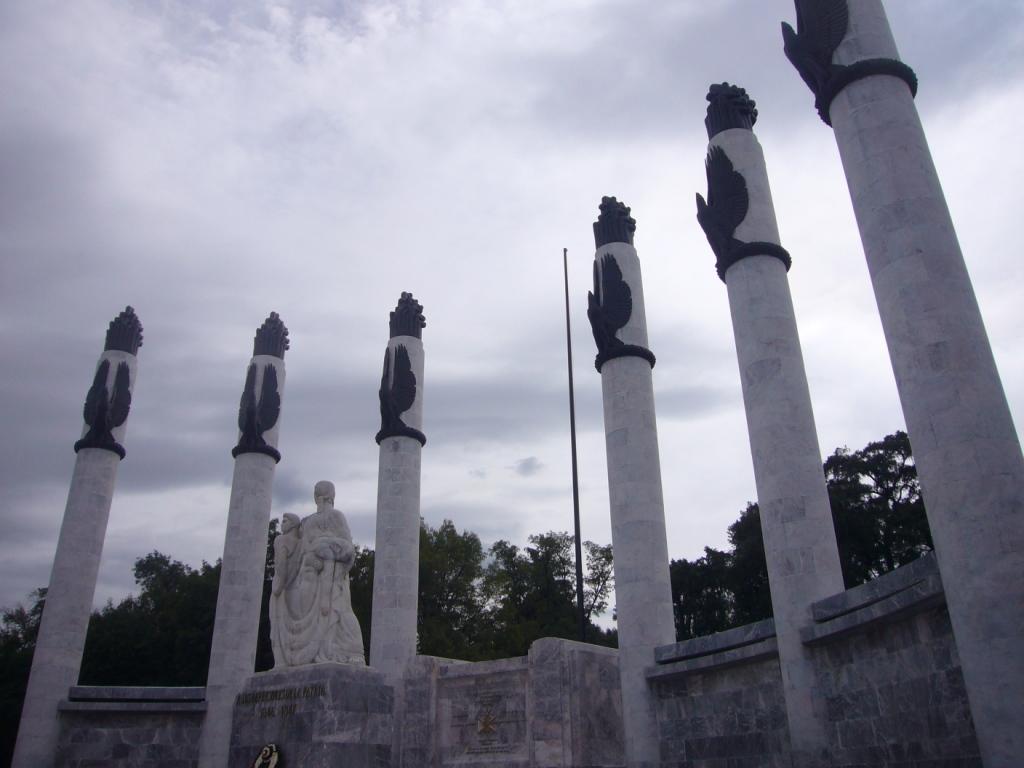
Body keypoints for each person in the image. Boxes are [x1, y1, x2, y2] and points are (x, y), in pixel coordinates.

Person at [269, 481, 365, 667]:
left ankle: (351, 652)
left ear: (315, 496)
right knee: (341, 613)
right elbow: (299, 554)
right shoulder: (313, 521)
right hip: (311, 578)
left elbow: (346, 551)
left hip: (329, 576)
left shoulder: (318, 521)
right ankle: (332, 653)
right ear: (333, 496)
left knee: (341, 613)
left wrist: (327, 547)